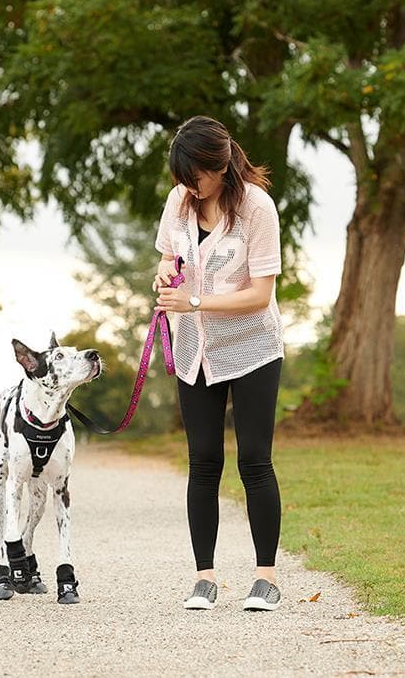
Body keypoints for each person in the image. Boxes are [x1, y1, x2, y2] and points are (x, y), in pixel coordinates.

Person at [152, 115, 285, 612]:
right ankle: (204, 579)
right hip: (195, 351)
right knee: (203, 462)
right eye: (180, 176)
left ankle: (265, 579)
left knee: (254, 460)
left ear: (220, 165)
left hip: (252, 348)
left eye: (195, 175)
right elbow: (168, 258)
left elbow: (260, 295)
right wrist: (166, 278)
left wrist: (193, 303)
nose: (188, 185)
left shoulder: (257, 208)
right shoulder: (178, 202)